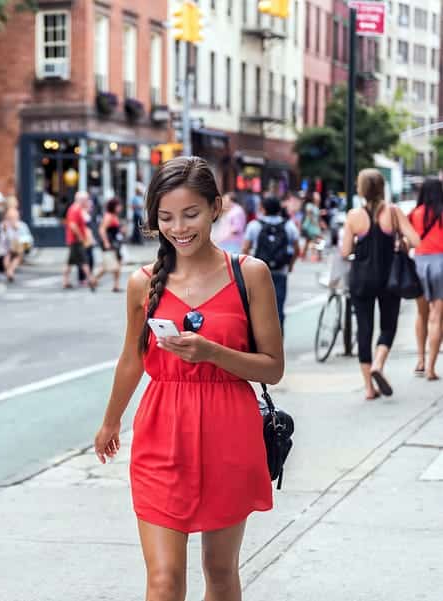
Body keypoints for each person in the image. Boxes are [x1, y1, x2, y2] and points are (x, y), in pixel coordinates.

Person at [94, 156, 282, 601]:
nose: (178, 228)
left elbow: (273, 366)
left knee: (219, 570)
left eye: (191, 214)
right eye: (165, 217)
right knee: (163, 580)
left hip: (229, 433)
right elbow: (131, 359)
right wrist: (110, 422)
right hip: (162, 431)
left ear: (216, 208)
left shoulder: (249, 274)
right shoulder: (143, 283)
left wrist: (212, 353)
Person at [342, 168, 421, 399]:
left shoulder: (353, 216)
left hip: (361, 280)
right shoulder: (394, 212)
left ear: (361, 189)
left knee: (364, 330)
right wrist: (402, 241)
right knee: (388, 326)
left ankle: (368, 388)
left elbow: (345, 250)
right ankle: (378, 363)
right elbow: (416, 239)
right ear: (382, 188)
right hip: (389, 278)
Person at [242, 195, 300, 333]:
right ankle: (277, 342)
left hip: (257, 273)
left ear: (263, 208)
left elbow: (245, 248)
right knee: (278, 308)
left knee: (255, 308)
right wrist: (290, 266)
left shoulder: (254, 225)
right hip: (281, 271)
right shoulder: (289, 225)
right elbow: (297, 248)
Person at [410, 178, 443, 379]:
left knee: (421, 314)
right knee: (437, 317)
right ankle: (431, 368)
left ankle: (420, 360)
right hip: (441, 263)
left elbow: (408, 239)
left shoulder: (415, 213)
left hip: (419, 264)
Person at [62, 191, 97, 291]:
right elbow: (73, 225)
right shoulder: (75, 209)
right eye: (86, 199)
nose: (87, 201)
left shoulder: (76, 209)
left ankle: (65, 281)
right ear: (81, 200)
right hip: (76, 240)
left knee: (70, 262)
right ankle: (91, 280)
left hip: (74, 240)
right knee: (84, 260)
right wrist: (80, 237)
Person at [94, 198, 125, 292]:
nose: (120, 207)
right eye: (118, 205)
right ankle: (93, 279)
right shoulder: (109, 216)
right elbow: (102, 230)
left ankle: (116, 285)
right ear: (114, 206)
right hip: (110, 243)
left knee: (116, 263)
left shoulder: (114, 216)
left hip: (115, 243)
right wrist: (106, 242)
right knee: (109, 265)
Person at [2, 202, 24, 283]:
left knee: (7, 255)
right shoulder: (14, 212)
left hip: (6, 236)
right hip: (14, 237)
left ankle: (8, 271)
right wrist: (16, 227)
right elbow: (15, 225)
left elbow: (4, 225)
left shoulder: (6, 212)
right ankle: (10, 271)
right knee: (18, 256)